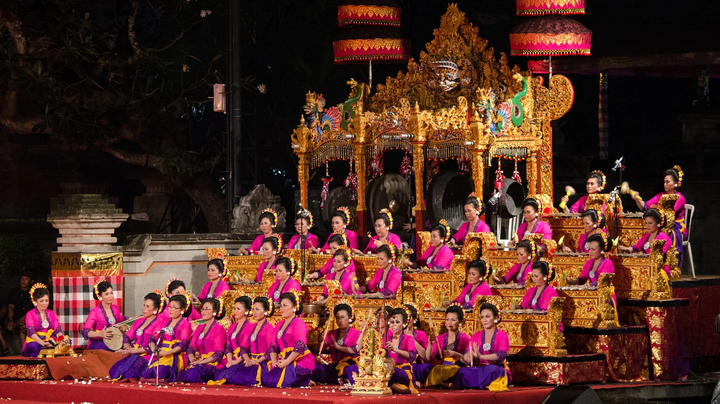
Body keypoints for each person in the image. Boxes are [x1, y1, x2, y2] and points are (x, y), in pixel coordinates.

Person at [632, 165, 686, 266]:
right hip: (660, 223)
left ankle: (668, 263)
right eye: (664, 182)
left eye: (668, 182)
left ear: (675, 183)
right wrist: (637, 199)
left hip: (675, 227)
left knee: (665, 233)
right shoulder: (661, 195)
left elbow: (668, 215)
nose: (665, 184)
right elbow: (645, 206)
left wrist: (654, 211)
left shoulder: (679, 198)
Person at [219, 296, 275, 386]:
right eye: (253, 309)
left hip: (262, 362)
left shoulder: (269, 328)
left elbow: (271, 349)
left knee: (245, 377)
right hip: (249, 361)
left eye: (257, 309)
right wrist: (247, 359)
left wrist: (257, 361)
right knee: (229, 376)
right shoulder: (251, 327)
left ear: (266, 311)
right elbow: (243, 347)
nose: (254, 312)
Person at [263, 292, 315, 387]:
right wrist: (274, 361)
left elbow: (301, 344)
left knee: (282, 378)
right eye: (281, 305)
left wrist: (287, 362)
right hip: (283, 360)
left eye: (285, 305)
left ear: (294, 307)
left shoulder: (299, 324)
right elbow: (273, 346)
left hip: (301, 360)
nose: (281, 308)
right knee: (267, 379)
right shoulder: (279, 325)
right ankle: (302, 382)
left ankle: (304, 381)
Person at [109, 291, 163, 380]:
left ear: (155, 309)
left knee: (127, 373)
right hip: (133, 353)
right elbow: (127, 336)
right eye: (144, 305)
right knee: (113, 370)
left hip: (147, 355)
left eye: (148, 306)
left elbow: (153, 345)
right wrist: (126, 345)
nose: (144, 308)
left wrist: (134, 351)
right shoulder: (139, 321)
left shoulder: (160, 323)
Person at [455, 303, 510, 390]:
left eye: (487, 316)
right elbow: (468, 354)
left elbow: (501, 355)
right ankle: (481, 384)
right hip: (480, 369)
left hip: (496, 368)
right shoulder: (476, 335)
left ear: (495, 318)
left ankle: (475, 384)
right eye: (482, 317)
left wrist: (481, 356)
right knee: (462, 371)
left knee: (491, 370)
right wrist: (467, 357)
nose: (484, 320)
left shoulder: (502, 335)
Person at [140, 294, 192, 382]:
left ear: (182, 310)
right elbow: (152, 338)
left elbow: (184, 344)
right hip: (161, 354)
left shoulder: (185, 324)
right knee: (145, 373)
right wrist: (154, 350)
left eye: (174, 307)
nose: (171, 310)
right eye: (170, 306)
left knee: (160, 372)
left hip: (175, 355)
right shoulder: (164, 321)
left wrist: (167, 353)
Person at [416, 305, 470, 388]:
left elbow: (469, 361)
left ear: (460, 322)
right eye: (447, 319)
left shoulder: (465, 339)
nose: (449, 322)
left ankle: (438, 383)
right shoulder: (440, 338)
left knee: (464, 372)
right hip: (441, 368)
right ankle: (443, 384)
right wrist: (430, 343)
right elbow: (428, 358)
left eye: (453, 320)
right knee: (422, 367)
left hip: (456, 369)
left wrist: (454, 354)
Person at [311, 303, 362, 385]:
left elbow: (355, 350)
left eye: (342, 317)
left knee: (350, 369)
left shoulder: (357, 334)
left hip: (349, 366)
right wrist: (319, 341)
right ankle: (341, 379)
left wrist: (339, 347)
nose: (339, 320)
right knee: (315, 368)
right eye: (337, 318)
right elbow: (318, 351)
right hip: (335, 366)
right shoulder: (331, 334)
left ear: (350, 317)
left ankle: (347, 380)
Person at [181, 298, 227, 383]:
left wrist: (201, 362)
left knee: (192, 374)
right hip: (199, 362)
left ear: (214, 312)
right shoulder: (199, 327)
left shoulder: (219, 329)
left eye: (207, 309)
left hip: (212, 364)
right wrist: (192, 359)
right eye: (202, 309)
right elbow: (191, 347)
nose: (203, 311)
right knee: (182, 374)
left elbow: (218, 354)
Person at [212, 296, 253, 385]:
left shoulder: (250, 327)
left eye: (238, 309)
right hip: (231, 359)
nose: (235, 311)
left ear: (246, 311)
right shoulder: (232, 327)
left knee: (234, 376)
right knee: (218, 375)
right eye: (234, 308)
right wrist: (230, 361)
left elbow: (246, 348)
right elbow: (228, 346)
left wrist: (236, 361)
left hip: (243, 360)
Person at [21, 283, 64, 357]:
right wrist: (43, 343)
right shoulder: (30, 314)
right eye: (41, 301)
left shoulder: (51, 313)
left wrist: (61, 340)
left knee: (66, 342)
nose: (45, 303)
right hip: (35, 342)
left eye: (46, 301)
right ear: (35, 301)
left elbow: (58, 330)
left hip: (49, 341)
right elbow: (31, 333)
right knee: (34, 346)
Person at [82, 280, 125, 350]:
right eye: (106, 294)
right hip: (99, 343)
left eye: (111, 293)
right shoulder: (95, 312)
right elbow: (85, 332)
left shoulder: (114, 308)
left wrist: (136, 318)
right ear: (100, 296)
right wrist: (100, 334)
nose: (110, 296)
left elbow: (122, 320)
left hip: (114, 341)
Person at [386, 307, 418, 394]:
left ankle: (397, 388)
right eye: (392, 322)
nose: (394, 325)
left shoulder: (408, 338)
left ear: (404, 324)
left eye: (397, 322)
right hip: (388, 371)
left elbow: (412, 355)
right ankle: (399, 389)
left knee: (391, 372)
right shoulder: (386, 338)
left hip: (403, 372)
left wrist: (395, 349)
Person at [7, 272, 35, 351]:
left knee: (24, 326)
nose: (23, 281)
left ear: (31, 281)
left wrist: (25, 317)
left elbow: (36, 308)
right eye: (22, 278)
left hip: (30, 318)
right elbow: (11, 307)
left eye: (26, 279)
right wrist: (11, 320)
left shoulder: (34, 292)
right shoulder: (14, 292)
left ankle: (25, 351)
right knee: (14, 325)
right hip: (17, 317)